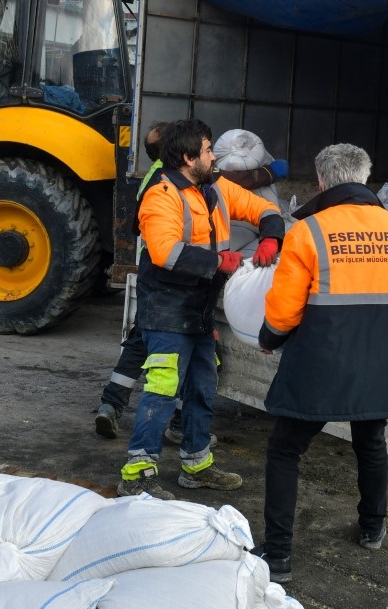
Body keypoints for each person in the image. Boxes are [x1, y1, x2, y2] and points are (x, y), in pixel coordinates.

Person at [254, 143, 388, 582]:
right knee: (370, 442)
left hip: (322, 361)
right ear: (365, 179)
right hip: (380, 361)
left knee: (285, 449)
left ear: (322, 181)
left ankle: (278, 556)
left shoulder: (309, 231)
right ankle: (372, 527)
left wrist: (269, 338)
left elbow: (285, 309)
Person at [120, 118, 284, 497]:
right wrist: (220, 263)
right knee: (162, 388)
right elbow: (164, 252)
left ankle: (196, 466)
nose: (215, 157)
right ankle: (137, 475)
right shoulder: (161, 195)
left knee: (202, 386)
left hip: (199, 307)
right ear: (189, 157)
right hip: (166, 308)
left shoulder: (215, 187)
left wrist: (272, 237)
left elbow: (264, 211)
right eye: (209, 151)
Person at [94, 122, 169, 439]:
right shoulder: (169, 179)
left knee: (139, 341)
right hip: (167, 277)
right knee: (188, 354)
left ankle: (110, 405)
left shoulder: (153, 174)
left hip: (149, 272)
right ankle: (178, 423)